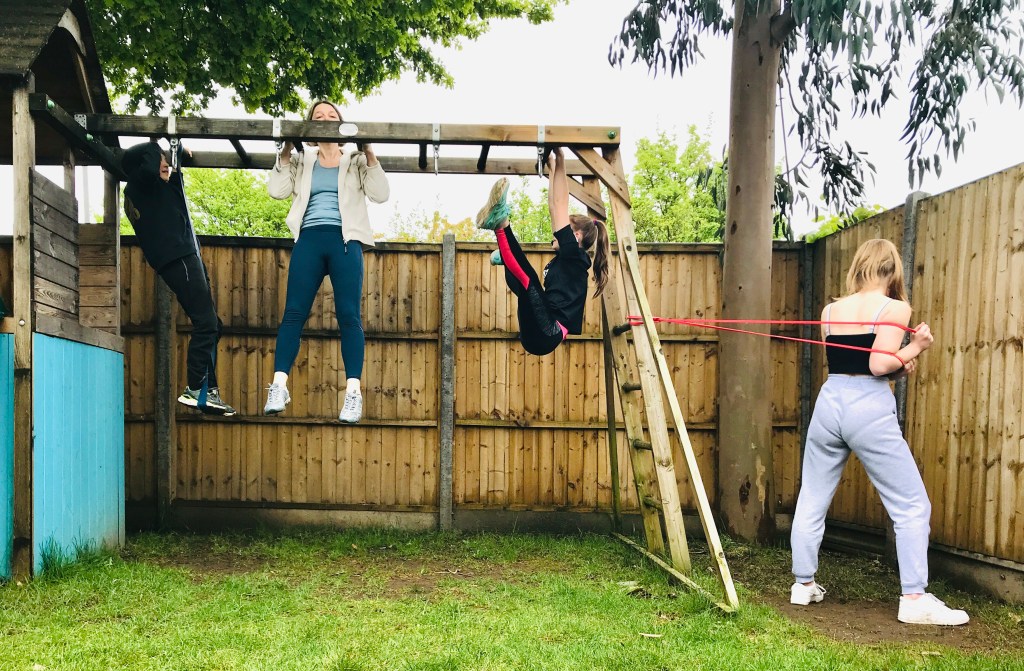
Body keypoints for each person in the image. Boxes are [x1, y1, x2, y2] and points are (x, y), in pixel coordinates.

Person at [789, 238, 968, 626]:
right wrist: (916, 346)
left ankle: (803, 585)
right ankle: (915, 598)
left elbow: (846, 358)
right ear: (892, 270)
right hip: (867, 405)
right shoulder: (896, 306)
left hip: (829, 401)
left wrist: (898, 363)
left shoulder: (830, 309)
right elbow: (874, 365)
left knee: (813, 495)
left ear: (860, 266)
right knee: (911, 505)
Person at [264, 100, 390, 423]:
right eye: (317, 117)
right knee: (293, 313)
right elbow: (276, 191)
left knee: (348, 315)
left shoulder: (356, 159)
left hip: (344, 243)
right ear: (310, 127)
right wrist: (286, 149)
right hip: (309, 239)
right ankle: (278, 385)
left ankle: (352, 393)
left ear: (341, 124)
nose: (324, 119)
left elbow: (381, 193)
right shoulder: (302, 160)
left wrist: (370, 152)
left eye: (331, 115)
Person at [121, 141, 235, 416]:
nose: (165, 164)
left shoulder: (156, 191)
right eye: (159, 159)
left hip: (184, 256)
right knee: (206, 324)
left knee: (213, 325)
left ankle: (209, 390)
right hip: (179, 258)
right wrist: (156, 143)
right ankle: (196, 388)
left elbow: (176, 190)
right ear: (145, 163)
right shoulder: (139, 186)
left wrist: (177, 153)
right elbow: (149, 163)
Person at [474, 148, 609, 356]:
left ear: (577, 236)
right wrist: (554, 166)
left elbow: (559, 204)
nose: (554, 235)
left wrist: (562, 162)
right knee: (526, 287)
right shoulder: (563, 261)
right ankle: (505, 254)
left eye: (564, 230)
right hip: (538, 332)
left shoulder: (573, 256)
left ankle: (501, 224)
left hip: (548, 332)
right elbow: (553, 206)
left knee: (530, 282)